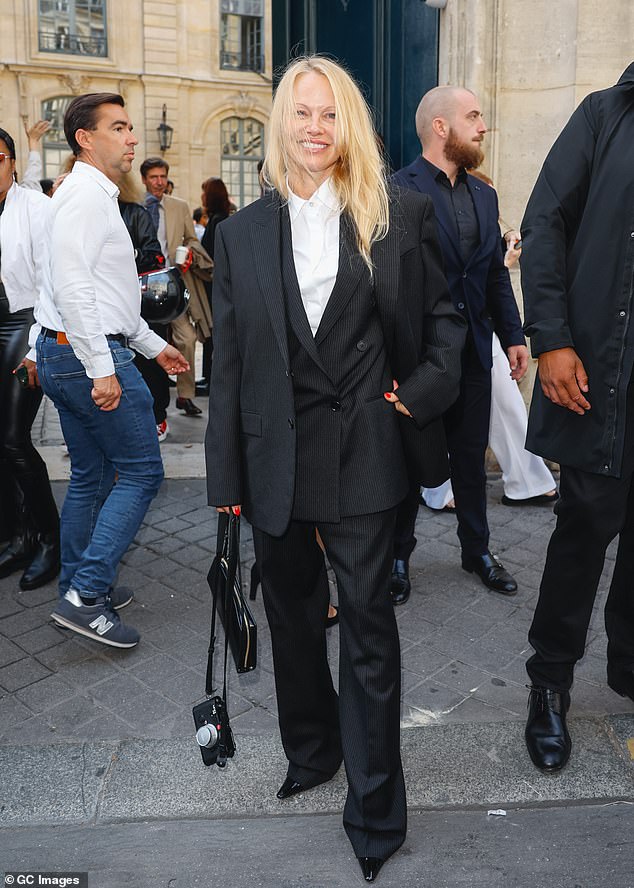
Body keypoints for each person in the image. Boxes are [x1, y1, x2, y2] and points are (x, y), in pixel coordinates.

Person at [205, 56, 466, 882]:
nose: (314, 128)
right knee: (288, 617)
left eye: (329, 114)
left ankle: (377, 810)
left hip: (365, 455)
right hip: (274, 457)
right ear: (281, 123)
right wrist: (226, 490)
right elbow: (233, 364)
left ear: (347, 124)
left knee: (367, 633)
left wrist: (413, 397)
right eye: (300, 113)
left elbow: (447, 323)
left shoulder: (403, 214)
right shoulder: (241, 232)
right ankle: (312, 752)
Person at [35, 92, 189, 648]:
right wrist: (103, 367)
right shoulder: (83, 197)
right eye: (119, 127)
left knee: (91, 478)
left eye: (131, 128)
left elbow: (108, 296)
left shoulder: (89, 195)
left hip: (71, 351)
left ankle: (78, 582)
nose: (131, 138)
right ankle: (87, 595)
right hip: (86, 357)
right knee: (143, 473)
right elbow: (75, 290)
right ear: (85, 138)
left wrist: (152, 347)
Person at [521, 62, 634, 773]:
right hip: (601, 371)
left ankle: (628, 668)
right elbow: (544, 223)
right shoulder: (604, 114)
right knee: (587, 522)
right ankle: (549, 682)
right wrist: (552, 339)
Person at [390, 86, 529, 606]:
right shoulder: (396, 191)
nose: (482, 126)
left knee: (470, 458)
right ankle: (398, 556)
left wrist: (512, 337)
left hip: (473, 351)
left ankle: (477, 550)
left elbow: (493, 275)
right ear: (441, 127)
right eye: (473, 116)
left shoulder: (484, 195)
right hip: (421, 359)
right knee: (409, 462)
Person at [0, 126, 60, 590]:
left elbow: (51, 284)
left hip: (23, 323)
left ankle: (49, 539)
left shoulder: (35, 208)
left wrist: (40, 345)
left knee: (14, 440)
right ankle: (17, 536)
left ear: (13, 162)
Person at [140, 156, 212, 416]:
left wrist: (191, 253)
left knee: (187, 337)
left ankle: (185, 395)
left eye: (162, 177)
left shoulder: (179, 207)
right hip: (141, 286)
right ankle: (149, 395)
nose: (159, 182)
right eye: (153, 177)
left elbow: (192, 239)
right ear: (144, 180)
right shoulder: (134, 206)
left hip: (172, 283)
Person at [196, 176, 231, 395]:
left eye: (204, 191)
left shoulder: (218, 221)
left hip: (214, 282)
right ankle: (208, 377)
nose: (201, 196)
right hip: (217, 282)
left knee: (212, 331)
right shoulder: (220, 218)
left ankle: (211, 379)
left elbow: (209, 252)